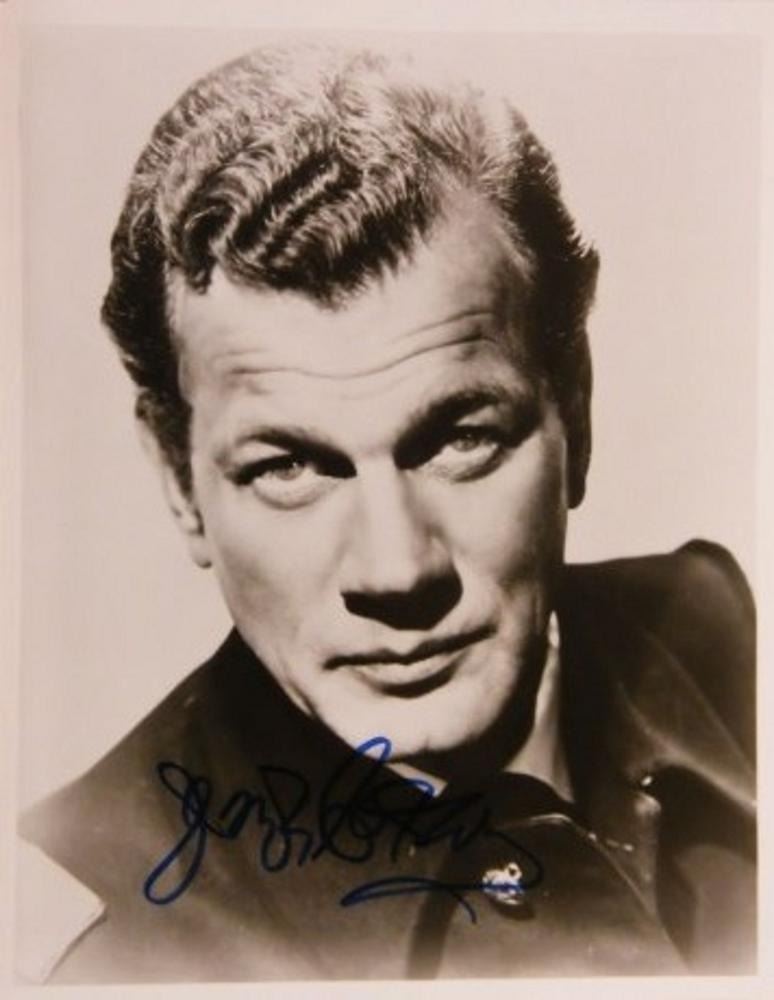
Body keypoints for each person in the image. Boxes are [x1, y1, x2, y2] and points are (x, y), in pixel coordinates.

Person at [18, 43, 756, 983]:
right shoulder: (88, 957)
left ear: (574, 407)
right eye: (290, 467)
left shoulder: (727, 635)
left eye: (459, 439)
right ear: (179, 481)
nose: (397, 570)